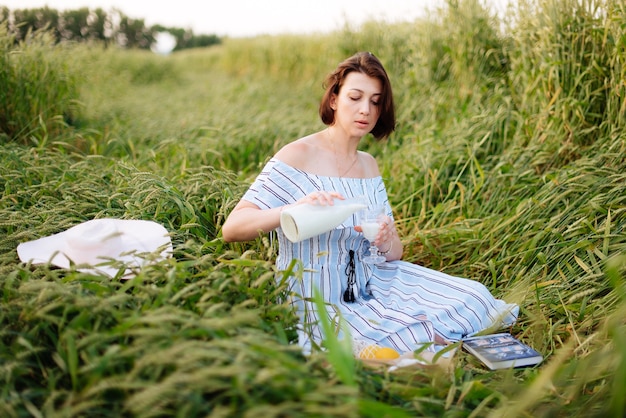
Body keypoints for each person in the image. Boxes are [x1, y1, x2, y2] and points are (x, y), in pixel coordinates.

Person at [222, 52, 517, 358]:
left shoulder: (368, 165)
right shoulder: (298, 155)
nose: (365, 109)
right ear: (334, 99)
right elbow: (232, 228)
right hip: (318, 292)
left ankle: (427, 342)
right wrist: (290, 210)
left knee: (476, 297)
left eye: (375, 101)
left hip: (373, 279)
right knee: (407, 334)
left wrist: (387, 240)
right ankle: (416, 345)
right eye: (355, 97)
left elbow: (393, 254)